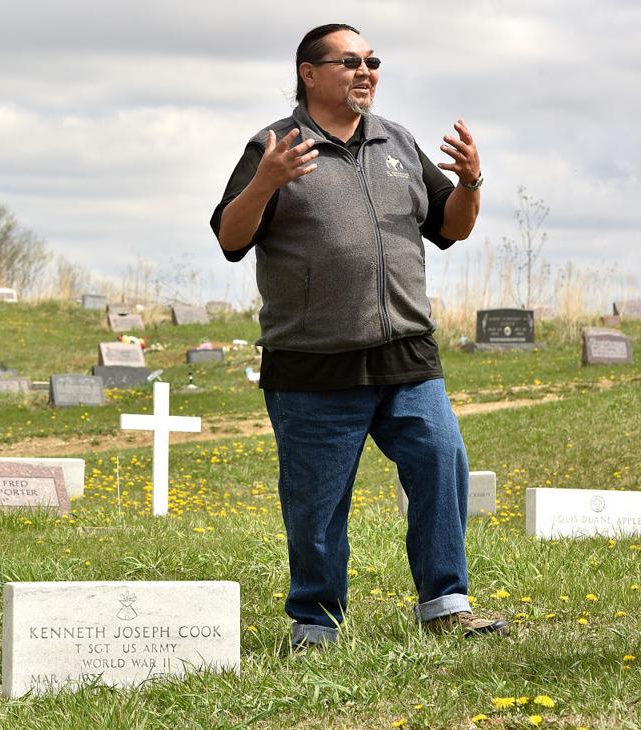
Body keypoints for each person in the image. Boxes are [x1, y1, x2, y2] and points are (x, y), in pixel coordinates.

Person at [209, 23, 508, 647]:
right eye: (349, 62)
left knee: (440, 462)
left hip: (407, 353)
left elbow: (451, 226)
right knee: (317, 507)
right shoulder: (273, 144)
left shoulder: (396, 140)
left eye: (372, 61)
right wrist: (266, 182)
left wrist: (473, 183)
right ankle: (315, 624)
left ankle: (446, 606)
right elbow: (230, 238)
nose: (365, 71)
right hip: (313, 363)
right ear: (309, 73)